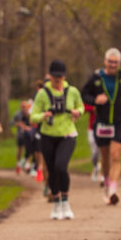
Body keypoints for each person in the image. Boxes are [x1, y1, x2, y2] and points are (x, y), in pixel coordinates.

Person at [80, 48, 121, 205]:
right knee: (105, 157)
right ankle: (107, 185)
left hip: (120, 122)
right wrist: (94, 100)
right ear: (105, 61)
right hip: (102, 122)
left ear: (119, 63)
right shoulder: (96, 78)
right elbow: (83, 94)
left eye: (116, 62)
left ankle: (113, 190)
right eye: (110, 62)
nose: (113, 65)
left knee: (116, 156)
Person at [29, 60, 84, 220]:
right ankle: (56, 203)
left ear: (64, 76)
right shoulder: (42, 94)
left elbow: (81, 107)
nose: (57, 80)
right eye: (54, 77)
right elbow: (33, 116)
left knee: (61, 166)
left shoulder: (72, 91)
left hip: (67, 134)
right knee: (52, 170)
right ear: (49, 76)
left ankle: (65, 202)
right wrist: (44, 115)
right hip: (48, 135)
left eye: (60, 77)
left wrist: (77, 112)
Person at [12, 99, 34, 174]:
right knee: (20, 149)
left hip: (29, 135)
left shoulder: (30, 114)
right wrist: (18, 124)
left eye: (25, 106)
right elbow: (12, 123)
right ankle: (18, 163)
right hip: (20, 135)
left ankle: (27, 164)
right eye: (22, 106)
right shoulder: (17, 114)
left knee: (28, 149)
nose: (23, 107)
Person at [84, 103, 102, 183]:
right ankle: (96, 167)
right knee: (95, 153)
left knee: (103, 151)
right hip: (92, 128)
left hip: (103, 127)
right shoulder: (93, 98)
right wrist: (94, 108)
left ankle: (104, 175)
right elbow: (84, 107)